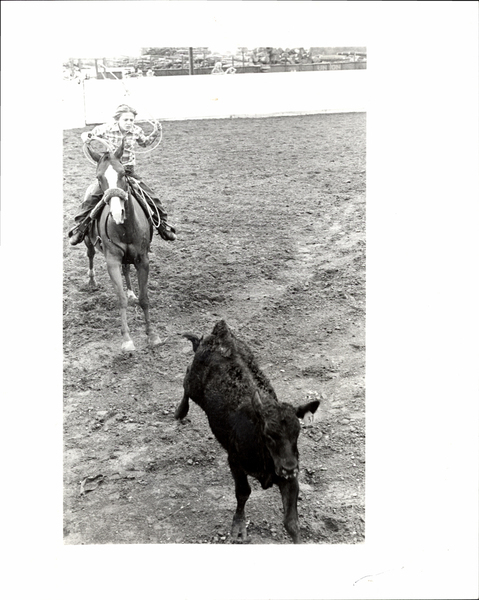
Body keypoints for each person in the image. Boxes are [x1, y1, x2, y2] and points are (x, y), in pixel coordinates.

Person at [68, 104, 176, 245]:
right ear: (118, 119)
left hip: (128, 172)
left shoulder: (136, 130)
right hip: (110, 173)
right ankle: (80, 228)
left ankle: (162, 225)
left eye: (131, 120)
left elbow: (144, 143)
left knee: (150, 196)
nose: (129, 123)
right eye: (126, 120)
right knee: (92, 197)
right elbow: (89, 135)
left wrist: (156, 132)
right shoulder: (106, 128)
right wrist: (85, 137)